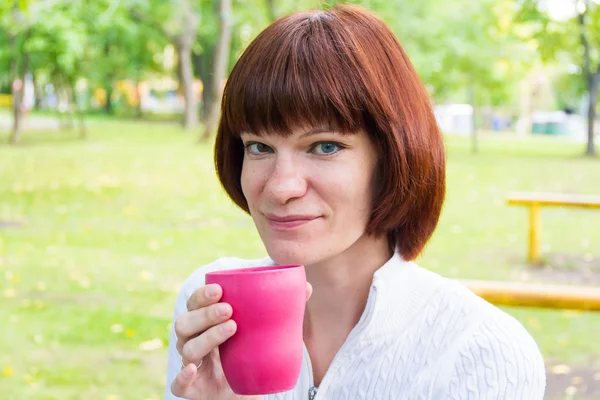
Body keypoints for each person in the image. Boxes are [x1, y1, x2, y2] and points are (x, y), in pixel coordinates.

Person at [165, 5, 546, 400]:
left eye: (324, 146)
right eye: (259, 146)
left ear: (394, 156)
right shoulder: (211, 307)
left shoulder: (482, 353)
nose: (280, 187)